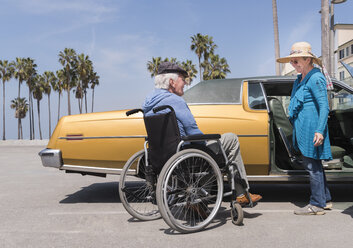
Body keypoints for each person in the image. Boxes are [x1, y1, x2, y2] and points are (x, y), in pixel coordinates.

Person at [142, 61, 262, 204]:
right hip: (184, 152)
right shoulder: (174, 101)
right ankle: (241, 193)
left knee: (209, 148)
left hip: (162, 154)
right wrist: (205, 144)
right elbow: (192, 131)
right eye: (183, 79)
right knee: (230, 139)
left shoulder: (148, 103)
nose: (185, 83)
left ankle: (198, 202)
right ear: (172, 82)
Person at [277, 41, 332, 215]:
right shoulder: (299, 80)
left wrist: (319, 130)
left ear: (308, 59)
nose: (293, 64)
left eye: (296, 61)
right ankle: (325, 200)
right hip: (302, 129)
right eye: (291, 62)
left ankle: (316, 204)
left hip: (312, 128)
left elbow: (324, 106)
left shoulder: (316, 77)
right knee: (314, 165)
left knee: (312, 166)